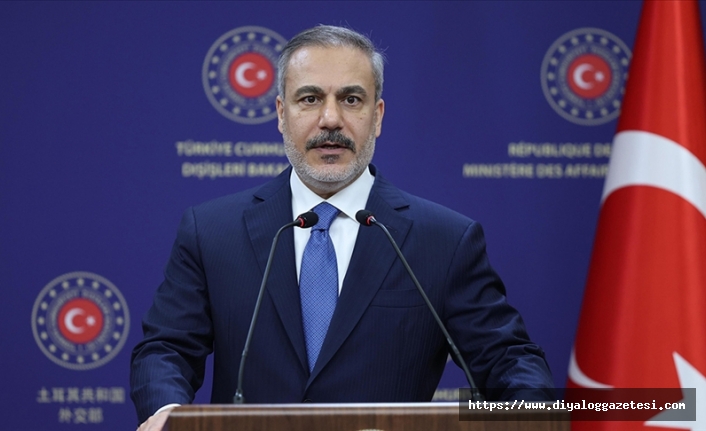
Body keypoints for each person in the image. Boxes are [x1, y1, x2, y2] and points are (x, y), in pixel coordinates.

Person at [130, 24, 554, 431]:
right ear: (281, 114)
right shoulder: (212, 231)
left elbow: (507, 360)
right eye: (310, 98)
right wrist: (168, 412)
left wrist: (529, 415)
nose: (330, 119)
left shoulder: (443, 240)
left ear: (377, 116)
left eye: (351, 99)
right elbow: (166, 349)